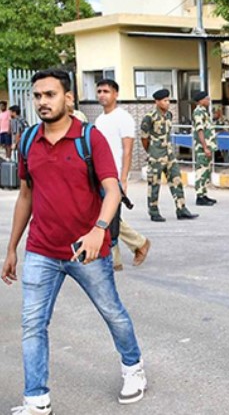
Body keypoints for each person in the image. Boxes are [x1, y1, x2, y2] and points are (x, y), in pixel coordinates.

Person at [2, 70, 147, 415]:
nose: (42, 102)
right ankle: (36, 399)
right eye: (37, 96)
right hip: (41, 249)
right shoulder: (28, 140)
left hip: (87, 251)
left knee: (112, 312)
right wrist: (12, 248)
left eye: (50, 95)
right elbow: (26, 195)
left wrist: (99, 230)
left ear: (68, 98)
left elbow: (112, 190)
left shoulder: (89, 138)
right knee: (33, 324)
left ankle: (133, 367)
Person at [94, 79, 152, 270]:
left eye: (106, 91)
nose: (102, 95)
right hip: (99, 174)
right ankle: (136, 245)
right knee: (108, 215)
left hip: (115, 175)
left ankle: (120, 256)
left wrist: (123, 178)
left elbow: (127, 150)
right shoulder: (100, 120)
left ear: (116, 94)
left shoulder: (124, 118)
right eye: (99, 91)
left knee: (109, 216)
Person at [140, 89, 199, 222]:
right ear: (157, 102)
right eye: (165, 101)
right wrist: (151, 152)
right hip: (156, 155)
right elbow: (144, 138)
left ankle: (181, 209)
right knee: (154, 184)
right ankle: (153, 211)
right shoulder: (149, 117)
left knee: (176, 180)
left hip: (169, 154)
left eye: (168, 100)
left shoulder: (169, 115)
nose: (168, 103)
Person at [192, 90, 217, 205]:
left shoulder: (204, 112)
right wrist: (205, 147)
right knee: (201, 171)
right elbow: (200, 130)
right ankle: (199, 196)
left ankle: (204, 194)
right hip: (202, 147)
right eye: (207, 98)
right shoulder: (198, 112)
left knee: (206, 171)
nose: (209, 100)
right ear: (201, 101)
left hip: (207, 146)